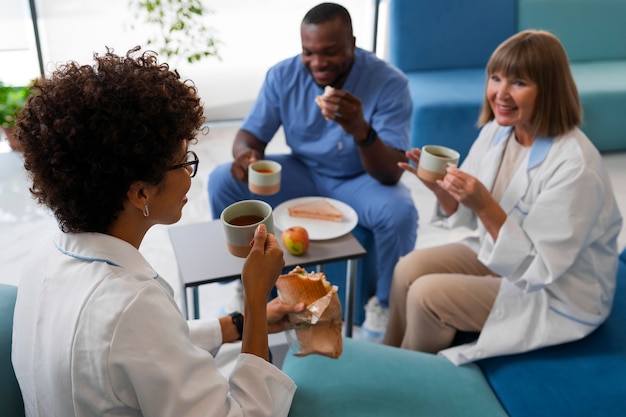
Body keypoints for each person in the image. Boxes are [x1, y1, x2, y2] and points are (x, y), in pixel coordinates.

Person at [11, 46, 304, 417]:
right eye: (184, 162)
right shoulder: (133, 304)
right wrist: (255, 299)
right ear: (141, 192)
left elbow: (137, 351)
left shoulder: (44, 257)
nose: (189, 177)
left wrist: (238, 325)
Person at [384, 30, 623, 365]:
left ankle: (408, 380)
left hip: (557, 290)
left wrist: (484, 204)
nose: (501, 93)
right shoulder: (499, 132)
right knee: (407, 269)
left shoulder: (576, 167)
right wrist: (442, 190)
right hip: (506, 258)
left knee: (426, 296)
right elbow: (466, 215)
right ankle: (385, 357)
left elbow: (538, 268)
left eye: (519, 82)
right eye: (495, 78)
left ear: (549, 90)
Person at [208, 2, 418, 342]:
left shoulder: (389, 82)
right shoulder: (283, 75)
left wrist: (361, 130)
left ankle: (383, 304)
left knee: (400, 211)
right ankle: (244, 285)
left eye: (330, 52)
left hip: (360, 180)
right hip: (304, 171)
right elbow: (250, 135)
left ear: (353, 41)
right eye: (309, 52)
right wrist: (245, 156)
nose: (317, 63)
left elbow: (390, 174)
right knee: (222, 179)